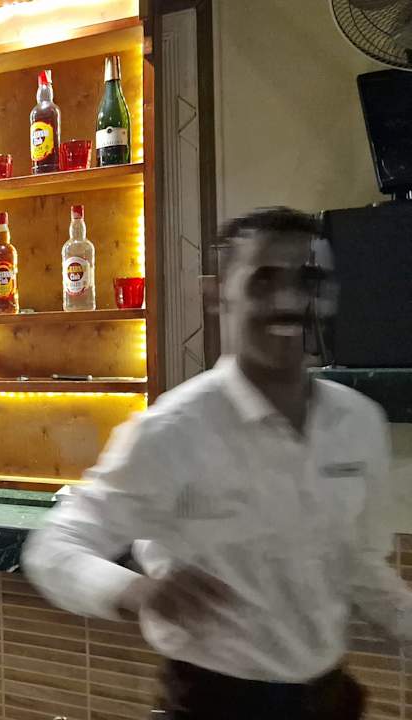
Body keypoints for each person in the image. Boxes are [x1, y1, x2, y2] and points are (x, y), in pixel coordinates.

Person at [23, 207, 412, 719]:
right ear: (217, 293)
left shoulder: (358, 423)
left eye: (306, 280)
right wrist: (138, 591)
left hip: (328, 702)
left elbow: (361, 565)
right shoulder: (174, 430)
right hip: (212, 703)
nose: (287, 300)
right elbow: (54, 547)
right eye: (264, 279)